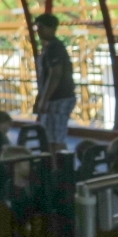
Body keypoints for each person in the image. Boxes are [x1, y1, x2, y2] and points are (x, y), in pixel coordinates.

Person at [32, 13, 76, 150]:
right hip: (59, 97)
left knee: (55, 138)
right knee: (52, 136)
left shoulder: (53, 48)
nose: (38, 30)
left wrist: (43, 100)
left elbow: (55, 74)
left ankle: (60, 165)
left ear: (51, 28)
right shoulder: (54, 47)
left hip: (58, 99)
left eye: (41, 27)